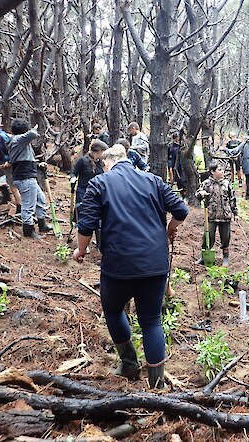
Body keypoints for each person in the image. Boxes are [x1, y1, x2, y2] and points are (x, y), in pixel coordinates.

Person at [73, 144, 188, 389]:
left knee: (114, 311)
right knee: (151, 321)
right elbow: (181, 210)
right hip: (155, 264)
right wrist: (169, 230)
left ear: (106, 162)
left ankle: (128, 364)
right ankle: (157, 384)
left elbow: (86, 224)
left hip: (119, 265)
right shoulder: (153, 181)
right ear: (127, 159)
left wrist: (81, 250)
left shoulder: (100, 183)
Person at [7, 118, 52, 239]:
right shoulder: (17, 140)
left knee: (40, 199)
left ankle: (42, 224)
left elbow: (25, 159)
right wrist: (35, 128)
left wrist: (38, 165)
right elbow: (32, 134)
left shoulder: (21, 143)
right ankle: (28, 230)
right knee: (28, 205)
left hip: (28, 176)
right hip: (25, 178)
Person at [195, 162, 237, 267]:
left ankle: (225, 257)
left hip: (225, 216)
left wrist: (235, 213)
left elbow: (232, 199)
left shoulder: (227, 184)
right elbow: (198, 194)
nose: (222, 172)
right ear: (212, 172)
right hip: (211, 215)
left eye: (222, 170)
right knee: (207, 236)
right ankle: (204, 257)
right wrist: (201, 194)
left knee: (226, 237)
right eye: (219, 170)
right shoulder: (206, 184)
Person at [226, 129, 249, 199]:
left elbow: (235, 151)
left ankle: (248, 195)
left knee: (248, 180)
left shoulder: (244, 144)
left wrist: (225, 149)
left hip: (247, 165)